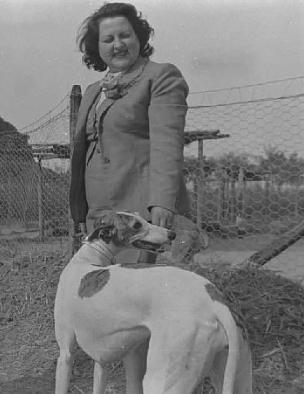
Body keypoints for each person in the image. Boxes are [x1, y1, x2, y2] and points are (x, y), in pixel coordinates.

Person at [70, 2, 191, 264]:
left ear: (139, 37)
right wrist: (81, 213)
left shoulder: (160, 77)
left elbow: (167, 144)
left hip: (141, 211)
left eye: (125, 35)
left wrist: (161, 203)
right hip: (102, 217)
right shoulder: (93, 91)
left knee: (143, 291)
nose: (118, 44)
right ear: (97, 46)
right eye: (108, 39)